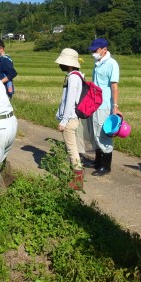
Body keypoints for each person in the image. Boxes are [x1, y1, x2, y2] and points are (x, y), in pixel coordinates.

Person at [84, 38, 120, 176]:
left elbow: (114, 86)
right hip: (94, 103)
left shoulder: (111, 64)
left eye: (96, 50)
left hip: (104, 104)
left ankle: (106, 166)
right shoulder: (98, 62)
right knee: (94, 132)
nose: (93, 52)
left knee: (102, 133)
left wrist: (115, 106)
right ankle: (97, 162)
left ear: (104, 49)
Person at [55, 48, 85, 190]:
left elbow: (70, 101)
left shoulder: (73, 77)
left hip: (70, 118)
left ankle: (78, 180)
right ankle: (76, 176)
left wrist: (63, 121)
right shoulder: (77, 75)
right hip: (74, 117)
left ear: (68, 64)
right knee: (72, 147)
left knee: (71, 149)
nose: (60, 65)